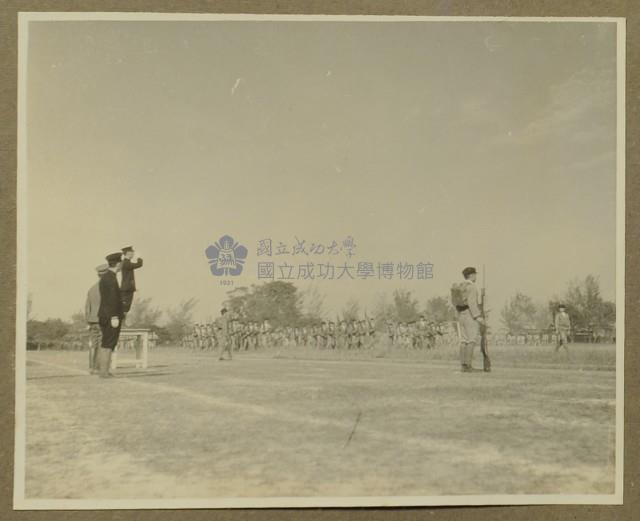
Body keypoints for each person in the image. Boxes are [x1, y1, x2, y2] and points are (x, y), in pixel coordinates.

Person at [97, 252, 125, 378]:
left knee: (106, 343)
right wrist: (114, 316)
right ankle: (104, 371)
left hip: (105, 315)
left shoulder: (106, 277)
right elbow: (112, 299)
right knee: (109, 343)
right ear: (118, 263)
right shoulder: (111, 278)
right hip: (111, 316)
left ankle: (104, 370)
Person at [454, 266, 486, 373]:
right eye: (475, 274)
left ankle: (463, 365)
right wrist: (478, 317)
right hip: (469, 315)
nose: (476, 276)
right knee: (471, 340)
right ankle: (468, 366)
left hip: (460, 314)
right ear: (471, 275)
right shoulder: (472, 287)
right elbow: (472, 303)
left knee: (463, 340)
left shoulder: (460, 286)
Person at [84, 264, 109, 374]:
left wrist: (88, 321)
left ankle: (92, 367)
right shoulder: (108, 288)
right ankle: (99, 368)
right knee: (102, 344)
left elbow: (87, 307)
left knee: (93, 344)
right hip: (103, 320)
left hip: (92, 320)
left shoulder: (92, 289)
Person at [120, 246, 143, 319]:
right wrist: (139, 258)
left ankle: (123, 321)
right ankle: (122, 322)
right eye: (132, 253)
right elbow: (139, 264)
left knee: (126, 306)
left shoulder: (126, 262)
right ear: (128, 253)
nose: (133, 254)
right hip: (127, 288)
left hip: (127, 288)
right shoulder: (126, 263)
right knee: (125, 307)